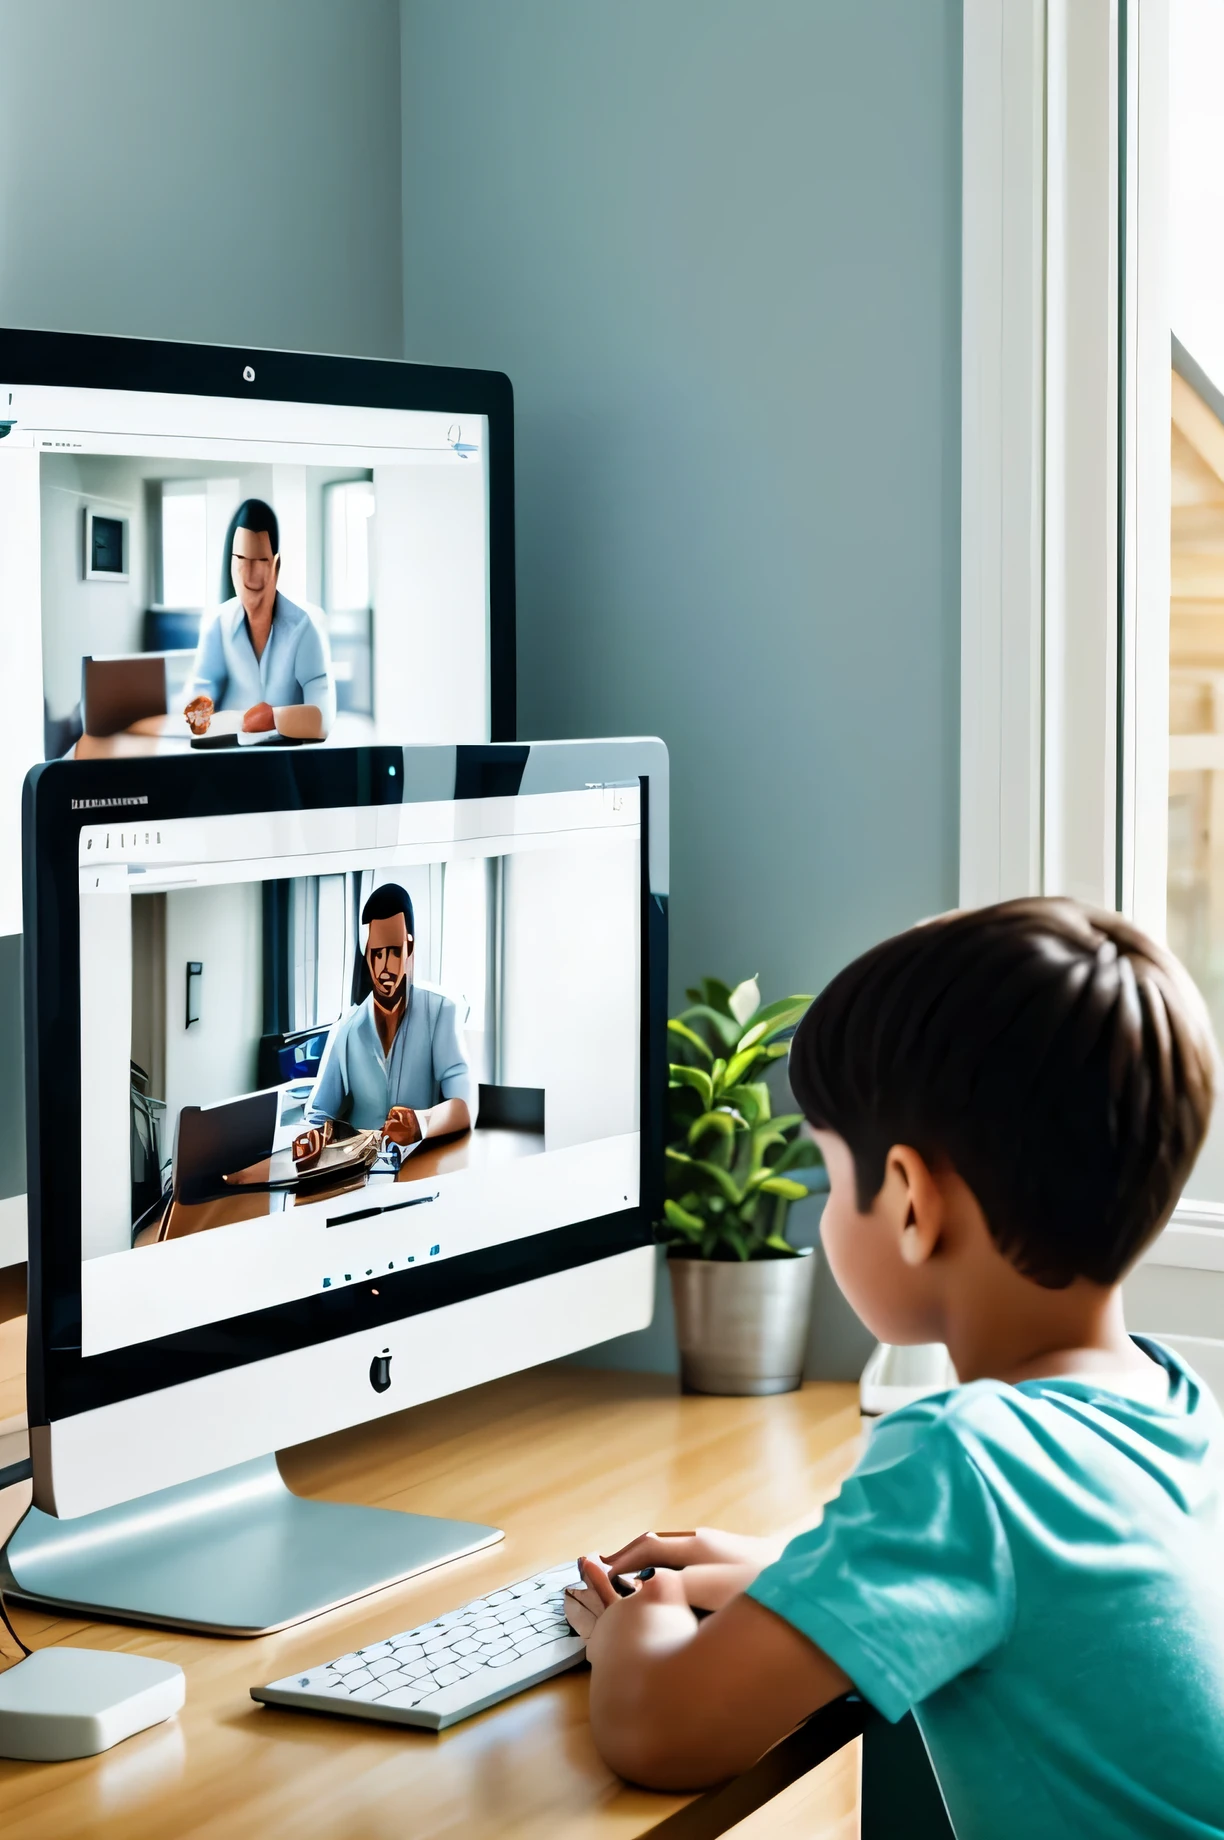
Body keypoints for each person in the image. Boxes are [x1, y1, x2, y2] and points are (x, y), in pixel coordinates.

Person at [566, 898, 1224, 1838]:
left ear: (912, 1202)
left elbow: (662, 1730)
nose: (828, 1212)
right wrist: (802, 1579)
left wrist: (637, 1628)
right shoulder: (1171, 1403)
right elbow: (1044, 1603)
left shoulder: (966, 1456)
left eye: (833, 1175)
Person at [304, 882, 472, 1148]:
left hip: (421, 1164)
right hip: (358, 1174)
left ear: (410, 948)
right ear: (366, 954)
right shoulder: (346, 1029)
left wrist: (421, 1122)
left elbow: (465, 1106)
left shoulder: (441, 1012)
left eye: (394, 952)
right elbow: (318, 1113)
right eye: (377, 953)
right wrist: (317, 1136)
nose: (385, 967)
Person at [183, 497, 335, 738]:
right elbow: (200, 693)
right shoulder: (217, 623)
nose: (250, 573)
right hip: (226, 755)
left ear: (276, 565)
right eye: (241, 560)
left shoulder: (304, 628)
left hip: (284, 760)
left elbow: (323, 718)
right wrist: (199, 714)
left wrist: (270, 717)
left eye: (261, 561)